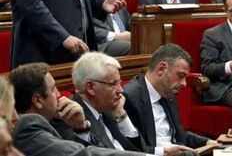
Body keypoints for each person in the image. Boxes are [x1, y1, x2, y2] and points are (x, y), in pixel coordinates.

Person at [8, 63, 147, 156]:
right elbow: (81, 154)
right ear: (37, 100)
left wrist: (81, 129)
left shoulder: (49, 121)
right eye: (53, 89)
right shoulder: (27, 126)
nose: (58, 94)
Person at [124, 44, 217, 155]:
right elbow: (127, 148)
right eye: (180, 76)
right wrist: (163, 152)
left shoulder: (168, 92)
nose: (184, 84)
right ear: (161, 69)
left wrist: (208, 142)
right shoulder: (130, 98)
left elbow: (180, 134)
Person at [71, 52, 156, 153]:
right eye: (114, 84)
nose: (121, 90)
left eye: (119, 83)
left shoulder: (106, 109)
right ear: (90, 87)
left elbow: (141, 151)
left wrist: (121, 116)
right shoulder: (70, 117)